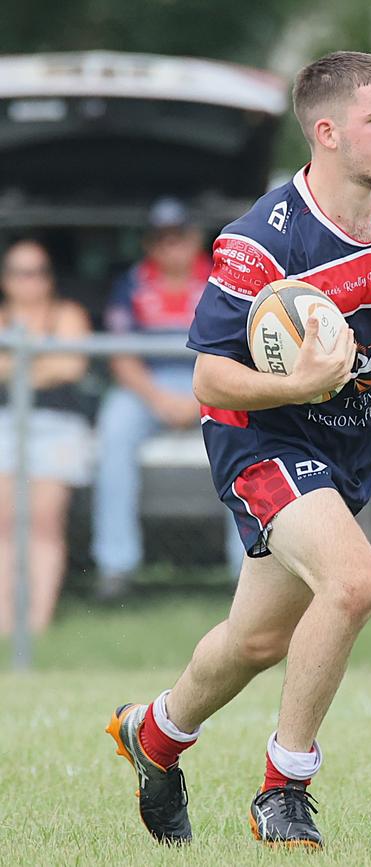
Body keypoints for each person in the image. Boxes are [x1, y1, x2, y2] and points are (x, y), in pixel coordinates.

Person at [106, 51, 371, 848]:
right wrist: (300, 384)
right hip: (261, 440)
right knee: (355, 580)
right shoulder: (262, 242)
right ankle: (283, 788)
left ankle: (155, 733)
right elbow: (212, 379)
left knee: (255, 639)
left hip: (345, 444)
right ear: (327, 132)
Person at [91, 199, 241, 599]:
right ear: (149, 244)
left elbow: (236, 349)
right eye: (161, 239)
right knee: (113, 425)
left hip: (211, 378)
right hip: (147, 384)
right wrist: (158, 399)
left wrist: (199, 397)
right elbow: (120, 356)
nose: (170, 246)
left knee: (249, 435)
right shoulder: (132, 283)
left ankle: (247, 565)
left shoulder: (221, 280)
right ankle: (115, 566)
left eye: (178, 237)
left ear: (195, 239)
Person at [0, 240, 92, 634]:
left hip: (59, 423)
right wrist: (42, 362)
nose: (29, 281)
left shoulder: (68, 314)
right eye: (20, 272)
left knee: (44, 522)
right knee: (5, 523)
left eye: (37, 272)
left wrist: (19, 365)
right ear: (6, 279)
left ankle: (38, 624)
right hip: (7, 421)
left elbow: (71, 365)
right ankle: (6, 624)